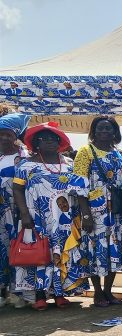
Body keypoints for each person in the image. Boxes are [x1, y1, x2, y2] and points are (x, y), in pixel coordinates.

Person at [13, 122, 89, 310]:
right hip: (36, 218)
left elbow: (80, 191)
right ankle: (39, 296)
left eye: (53, 138)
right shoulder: (26, 165)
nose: (49, 142)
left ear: (60, 142)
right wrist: (24, 214)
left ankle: (59, 293)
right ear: (36, 143)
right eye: (44, 139)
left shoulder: (69, 164)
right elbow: (17, 189)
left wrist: (83, 216)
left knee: (61, 253)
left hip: (64, 219)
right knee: (40, 254)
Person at [73, 116, 122, 307]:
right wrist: (85, 214)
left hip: (116, 211)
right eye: (100, 128)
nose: (104, 131)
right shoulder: (85, 152)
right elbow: (79, 186)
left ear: (115, 132)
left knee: (114, 249)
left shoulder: (119, 153)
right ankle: (97, 292)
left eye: (108, 128)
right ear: (94, 131)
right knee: (95, 249)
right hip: (95, 210)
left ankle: (108, 291)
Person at [0, 113, 29, 308]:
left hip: (18, 212)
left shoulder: (24, 157)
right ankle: (2, 291)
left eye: (8, 134)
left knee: (18, 251)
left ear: (15, 136)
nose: (3, 138)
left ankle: (18, 292)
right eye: (0, 134)